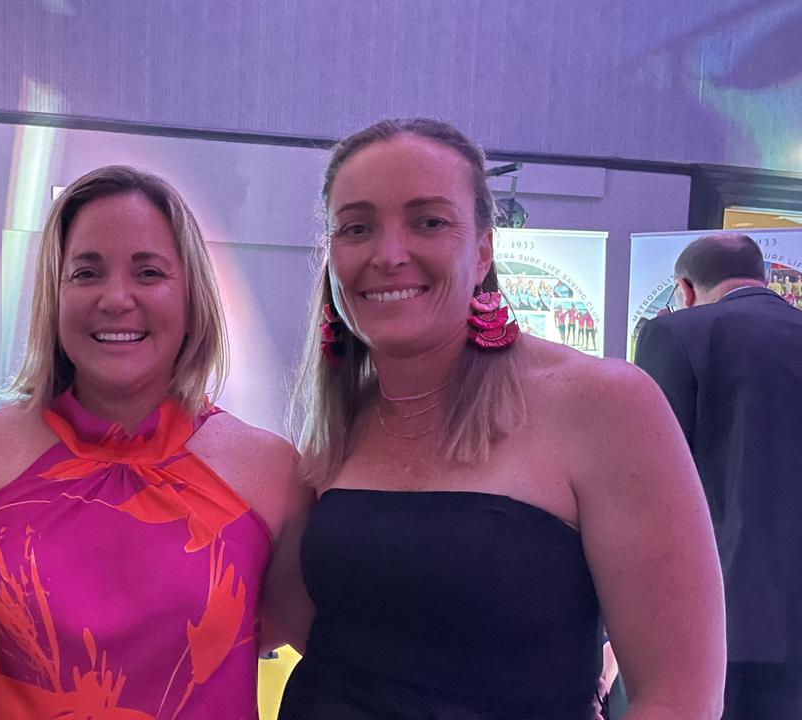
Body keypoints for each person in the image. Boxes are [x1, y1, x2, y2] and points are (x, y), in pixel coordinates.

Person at [275, 118, 725, 719]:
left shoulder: (604, 404)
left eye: (429, 221)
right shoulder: (344, 419)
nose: (388, 254)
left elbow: (681, 697)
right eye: (356, 228)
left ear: (484, 248)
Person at [0, 165, 303, 718]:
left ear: (191, 294)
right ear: (54, 296)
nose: (116, 298)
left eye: (149, 272)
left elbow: (327, 646)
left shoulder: (270, 473)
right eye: (86, 273)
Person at [634, 232, 802, 720]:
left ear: (684, 288)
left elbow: (652, 481)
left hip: (720, 608)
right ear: (765, 279)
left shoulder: (680, 334)